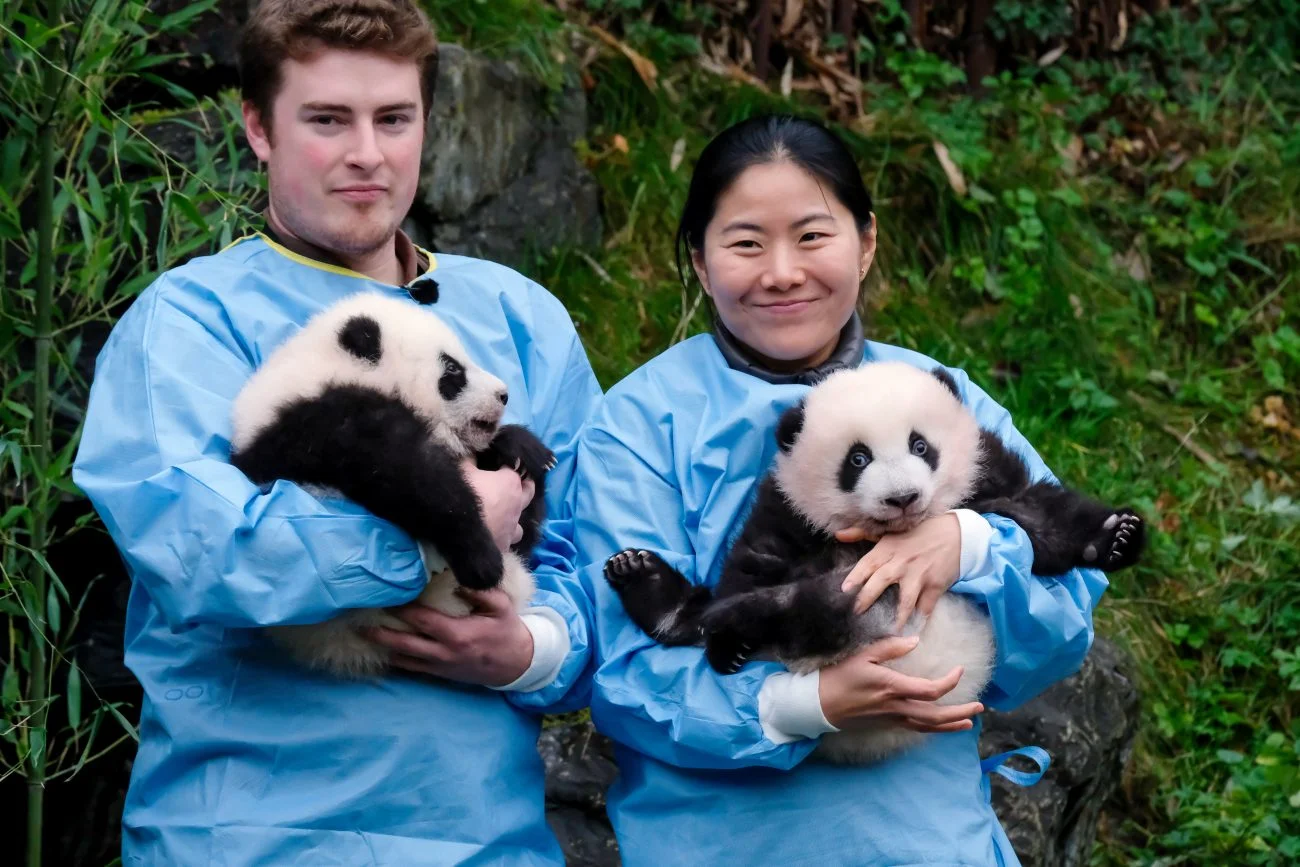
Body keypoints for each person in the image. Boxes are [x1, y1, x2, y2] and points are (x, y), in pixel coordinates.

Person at [72, 1, 601, 863]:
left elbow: (599, 566)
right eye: (326, 119)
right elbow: (206, 552)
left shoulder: (521, 317)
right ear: (258, 127)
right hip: (249, 839)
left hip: (482, 840)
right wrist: (440, 534)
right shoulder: (188, 324)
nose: (367, 153)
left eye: (394, 118)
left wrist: (529, 649)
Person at [568, 114, 1109, 865]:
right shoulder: (636, 424)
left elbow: (1063, 618)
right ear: (698, 261)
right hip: (724, 841)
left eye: (813, 235)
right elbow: (621, 674)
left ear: (868, 243)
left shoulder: (944, 397)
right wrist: (804, 705)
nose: (782, 270)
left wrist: (974, 545)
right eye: (746, 242)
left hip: (924, 836)